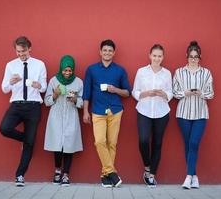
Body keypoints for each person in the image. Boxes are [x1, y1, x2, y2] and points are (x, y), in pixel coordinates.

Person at [82, 39, 131, 188]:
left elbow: (127, 92)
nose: (107, 53)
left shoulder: (120, 70)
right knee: (99, 141)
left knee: (112, 144)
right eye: (105, 50)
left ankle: (105, 175)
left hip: (115, 110)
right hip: (97, 111)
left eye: (110, 51)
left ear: (114, 53)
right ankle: (112, 172)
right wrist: (85, 111)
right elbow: (86, 93)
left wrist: (114, 89)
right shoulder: (91, 70)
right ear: (100, 52)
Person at [0, 36, 47, 187]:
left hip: (33, 106)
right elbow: (4, 88)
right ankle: (26, 138)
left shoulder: (39, 64)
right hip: (17, 105)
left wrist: (39, 85)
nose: (21, 54)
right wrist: (10, 82)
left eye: (24, 51)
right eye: (18, 51)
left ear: (29, 48)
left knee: (29, 145)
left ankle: (20, 175)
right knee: (4, 128)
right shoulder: (10, 65)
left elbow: (44, 87)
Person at [173, 41, 214, 189]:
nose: (193, 59)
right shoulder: (179, 72)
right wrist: (186, 93)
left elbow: (211, 93)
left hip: (200, 113)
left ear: (200, 57)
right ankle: (194, 176)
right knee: (188, 144)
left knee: (194, 143)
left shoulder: (206, 73)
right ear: (186, 56)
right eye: (191, 56)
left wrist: (200, 93)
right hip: (183, 113)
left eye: (196, 56)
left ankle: (188, 176)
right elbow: (175, 92)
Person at [132, 44, 173, 187]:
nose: (157, 58)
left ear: (163, 57)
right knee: (143, 140)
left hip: (162, 112)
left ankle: (151, 176)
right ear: (149, 56)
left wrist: (164, 94)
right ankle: (147, 166)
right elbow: (135, 91)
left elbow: (170, 92)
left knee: (157, 143)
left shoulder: (167, 73)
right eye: (154, 55)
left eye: (159, 56)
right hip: (144, 110)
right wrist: (144, 94)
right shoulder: (141, 72)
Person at [44, 55, 83, 187]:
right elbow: (47, 102)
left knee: (69, 146)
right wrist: (54, 95)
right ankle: (57, 171)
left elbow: (82, 102)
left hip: (71, 116)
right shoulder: (54, 81)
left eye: (70, 70)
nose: (67, 73)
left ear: (73, 70)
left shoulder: (78, 82)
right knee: (57, 145)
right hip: (56, 116)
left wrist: (75, 100)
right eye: (65, 70)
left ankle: (66, 174)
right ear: (61, 69)